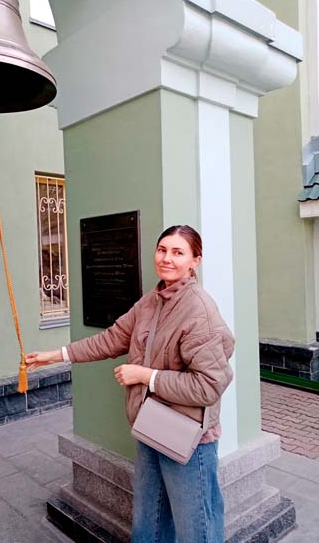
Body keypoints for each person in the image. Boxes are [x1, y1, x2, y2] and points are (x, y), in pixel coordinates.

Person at [26, 225, 234, 543]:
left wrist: (145, 376)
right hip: (152, 425)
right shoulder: (152, 301)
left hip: (190, 440)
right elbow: (111, 339)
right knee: (149, 522)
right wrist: (55, 355)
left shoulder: (199, 311)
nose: (167, 258)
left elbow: (209, 385)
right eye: (162, 250)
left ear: (195, 261)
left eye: (178, 252)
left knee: (197, 530)